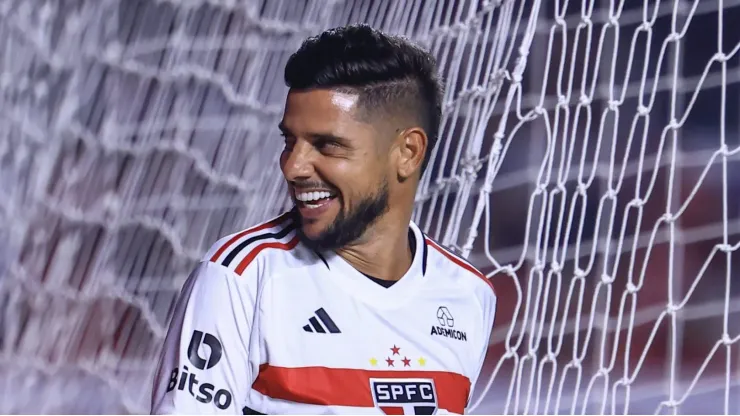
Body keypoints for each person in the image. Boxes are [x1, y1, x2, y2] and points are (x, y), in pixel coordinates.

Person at [150, 23, 497, 415]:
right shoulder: (243, 276)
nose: (293, 166)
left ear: (408, 152)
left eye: (327, 145)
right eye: (289, 142)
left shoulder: (468, 296)